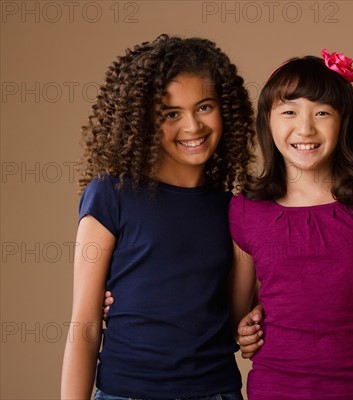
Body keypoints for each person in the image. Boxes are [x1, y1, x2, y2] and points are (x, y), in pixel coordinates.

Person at [61, 34, 256, 400]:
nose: (192, 127)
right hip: (126, 392)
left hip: (215, 392)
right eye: (171, 114)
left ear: (226, 109)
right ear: (143, 121)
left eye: (204, 106)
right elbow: (85, 323)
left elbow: (232, 318)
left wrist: (254, 319)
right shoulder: (110, 196)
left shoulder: (234, 209)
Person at [228, 50, 353, 400]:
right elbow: (238, 309)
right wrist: (244, 328)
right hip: (274, 387)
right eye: (289, 112)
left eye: (322, 113)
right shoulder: (247, 209)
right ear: (267, 121)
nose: (305, 128)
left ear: (345, 122)